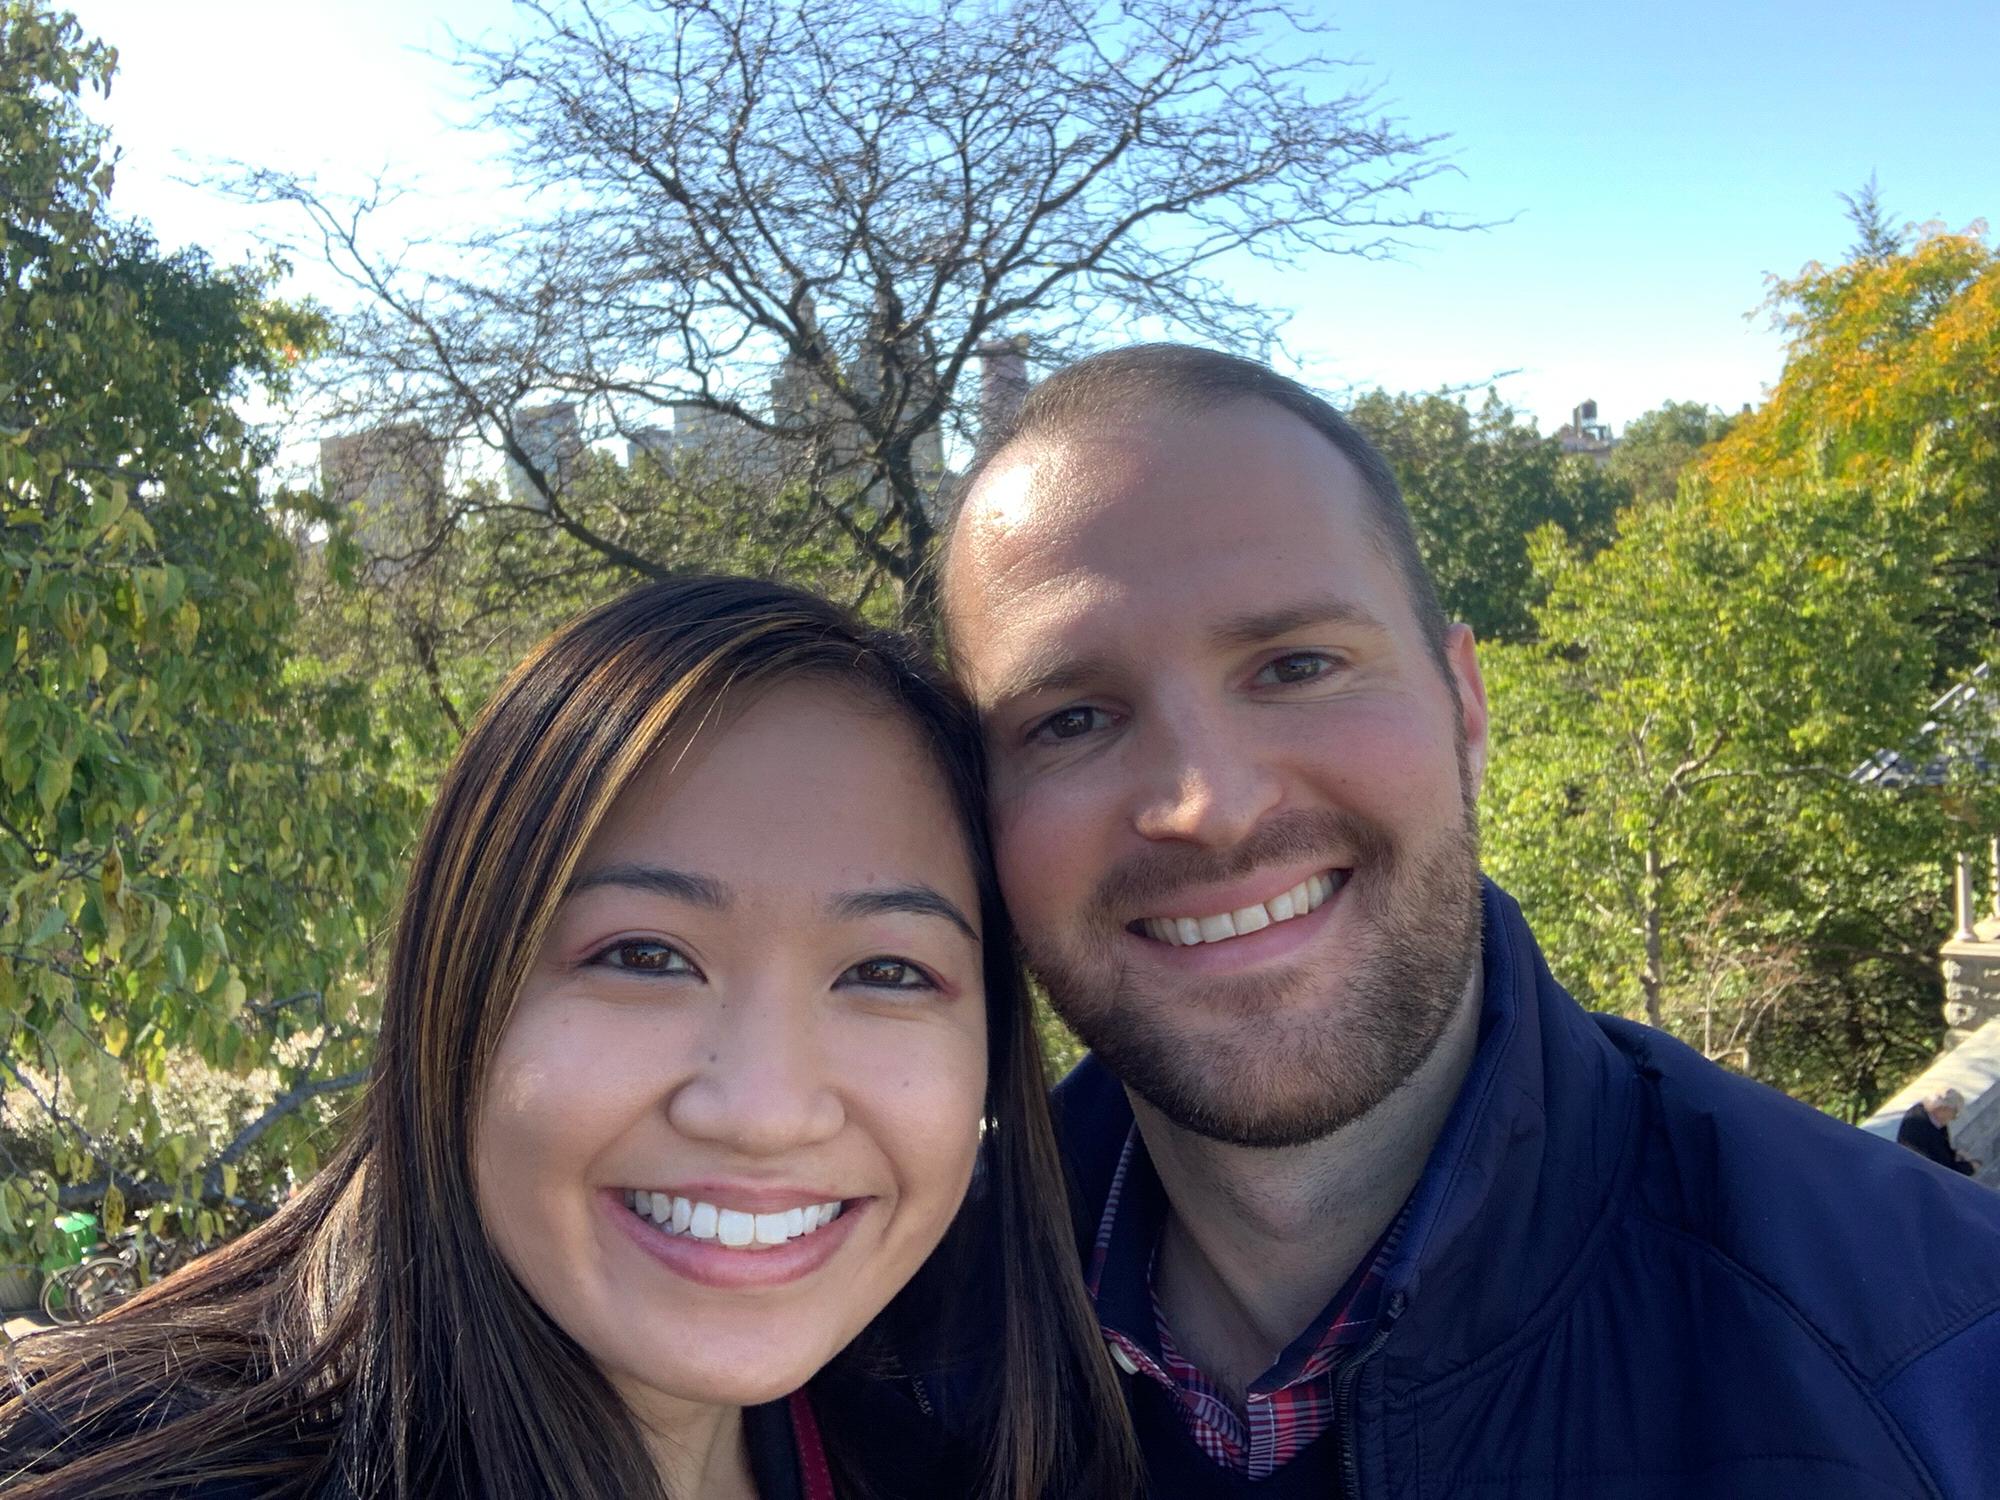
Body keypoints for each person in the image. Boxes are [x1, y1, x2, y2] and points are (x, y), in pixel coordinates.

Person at [920, 344, 2000, 1497]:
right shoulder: (869, 1360)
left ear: (1465, 708)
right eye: (1072, 720)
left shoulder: (1936, 1371)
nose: (1209, 807)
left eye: (1295, 665)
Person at [0, 577, 1136, 1499]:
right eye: (643, 956)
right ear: (457, 994)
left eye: (886, 971)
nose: (764, 1108)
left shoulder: (949, 1460)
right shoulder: (115, 1467)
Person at [1898, 1088, 1980, 1175]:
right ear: (1942, 1109)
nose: (1954, 1118)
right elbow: (1944, 1170)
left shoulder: (1925, 1114)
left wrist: (1953, 1154)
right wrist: (1971, 1167)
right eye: (1955, 1113)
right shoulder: (1924, 1131)